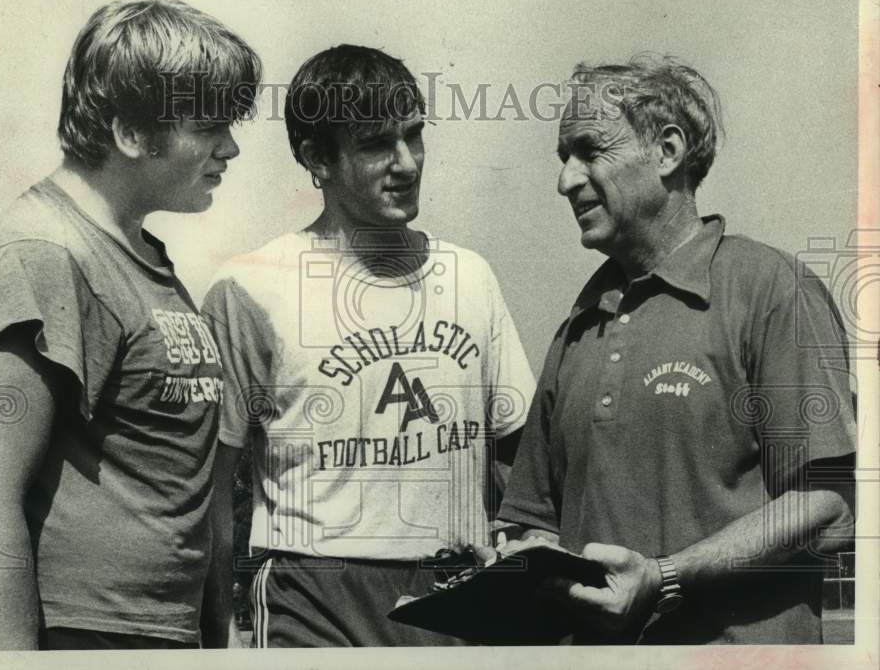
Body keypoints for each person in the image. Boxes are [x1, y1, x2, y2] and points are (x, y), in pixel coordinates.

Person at [0, 0, 262, 651]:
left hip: (150, 636)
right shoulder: (34, 255)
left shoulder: (139, 257)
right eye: (210, 126)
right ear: (132, 133)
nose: (231, 147)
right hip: (70, 636)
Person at [495, 56, 857, 644]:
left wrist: (664, 578)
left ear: (667, 151)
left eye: (589, 151)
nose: (566, 179)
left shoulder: (767, 290)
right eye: (563, 157)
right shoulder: (579, 326)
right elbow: (532, 521)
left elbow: (831, 507)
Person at [202, 44, 535, 647]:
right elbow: (215, 485)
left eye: (414, 135)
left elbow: (520, 460)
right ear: (316, 159)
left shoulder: (469, 275)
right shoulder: (250, 287)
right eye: (377, 143)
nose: (406, 162)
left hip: (453, 587)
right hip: (314, 589)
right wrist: (218, 628)